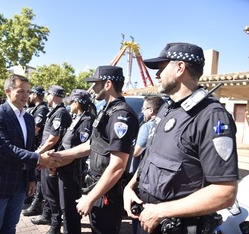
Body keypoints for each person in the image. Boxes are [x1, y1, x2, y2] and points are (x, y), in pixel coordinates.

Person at [123, 42, 239, 234]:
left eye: (161, 68)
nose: (157, 75)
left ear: (179, 68)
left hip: (176, 226)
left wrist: (160, 211)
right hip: (147, 218)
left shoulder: (210, 116)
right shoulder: (167, 109)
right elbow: (150, 157)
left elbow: (225, 192)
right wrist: (130, 187)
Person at [49, 65, 139, 234]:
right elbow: (91, 145)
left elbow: (118, 165)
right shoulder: (107, 110)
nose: (92, 88)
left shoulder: (121, 116)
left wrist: (90, 198)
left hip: (107, 192)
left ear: (108, 84)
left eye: (95, 83)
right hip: (97, 187)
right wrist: (58, 155)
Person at [0, 74, 61, 234]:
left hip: (20, 184)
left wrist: (31, 178)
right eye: (21, 91)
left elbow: (28, 148)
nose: (26, 95)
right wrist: (39, 158)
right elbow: (4, 149)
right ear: (7, 91)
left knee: (10, 227)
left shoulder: (29, 118)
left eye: (28, 91)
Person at [33, 85, 72, 234]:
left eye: (49, 94)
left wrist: (38, 153)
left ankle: (55, 224)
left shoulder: (60, 113)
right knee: (45, 189)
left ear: (53, 95)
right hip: (47, 156)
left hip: (51, 158)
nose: (47, 97)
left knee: (51, 192)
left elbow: (53, 139)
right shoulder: (55, 112)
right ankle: (47, 215)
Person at [57, 89, 96, 234]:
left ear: (78, 103)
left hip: (72, 171)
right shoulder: (77, 118)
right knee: (66, 208)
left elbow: (78, 150)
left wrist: (57, 162)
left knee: (70, 210)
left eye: (72, 101)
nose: (69, 104)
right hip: (65, 169)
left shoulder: (86, 122)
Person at [130, 95, 163, 234]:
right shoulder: (164, 124)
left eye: (144, 109)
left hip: (141, 177)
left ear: (151, 110)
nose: (142, 112)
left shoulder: (147, 126)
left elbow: (136, 152)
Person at [22, 85, 49, 216]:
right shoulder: (36, 108)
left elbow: (35, 128)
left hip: (38, 145)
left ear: (36, 94)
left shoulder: (42, 109)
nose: (29, 96)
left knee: (37, 176)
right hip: (34, 145)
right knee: (33, 172)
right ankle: (31, 196)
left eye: (31, 93)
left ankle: (36, 204)